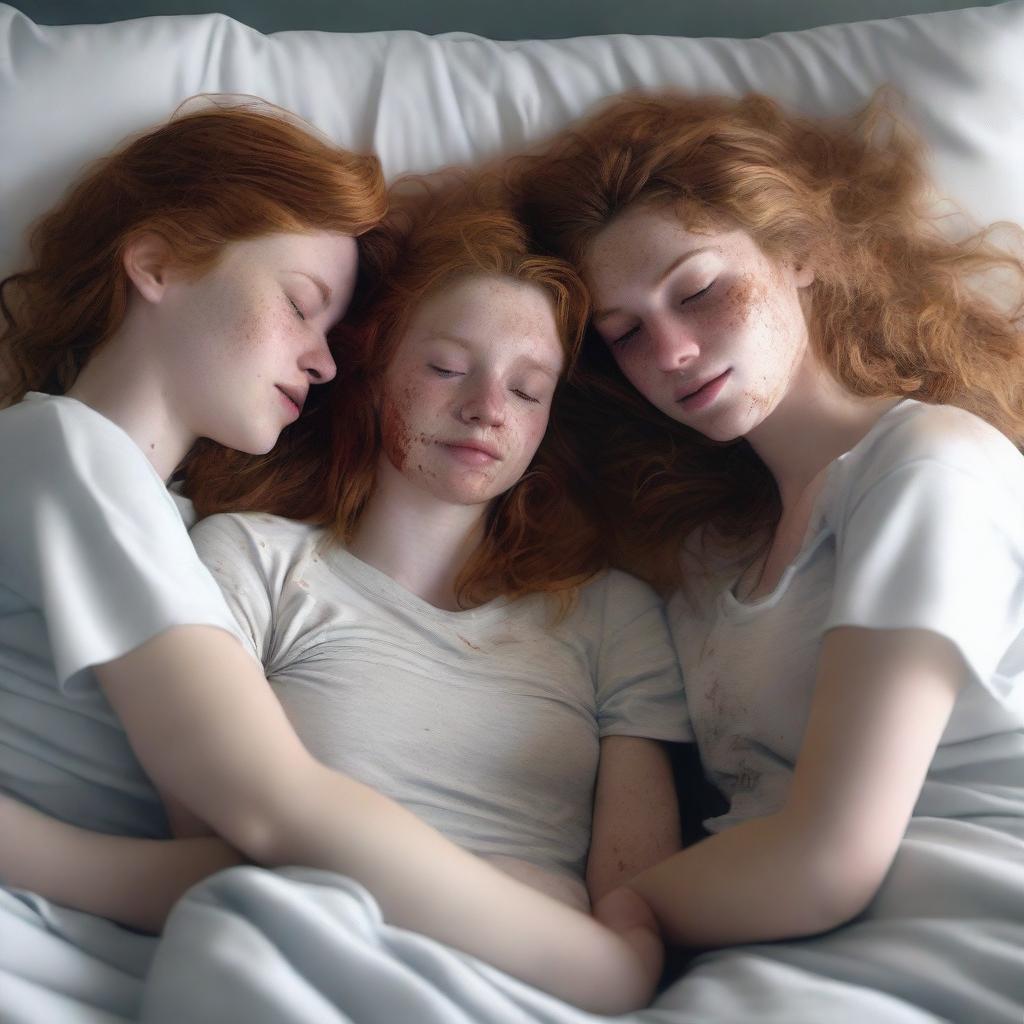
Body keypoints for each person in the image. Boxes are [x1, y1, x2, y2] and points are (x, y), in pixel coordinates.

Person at [0, 153, 678, 1012]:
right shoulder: (210, 537)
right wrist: (590, 953)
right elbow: (254, 824)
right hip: (306, 945)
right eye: (443, 367)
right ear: (376, 372)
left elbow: (642, 899)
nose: (487, 409)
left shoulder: (613, 615)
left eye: (530, 389)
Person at [509, 90, 1024, 1012]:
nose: (669, 350)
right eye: (625, 335)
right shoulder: (706, 562)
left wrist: (601, 919)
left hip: (964, 927)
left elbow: (830, 858)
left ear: (804, 254)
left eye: (699, 290)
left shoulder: (927, 466)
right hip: (768, 960)